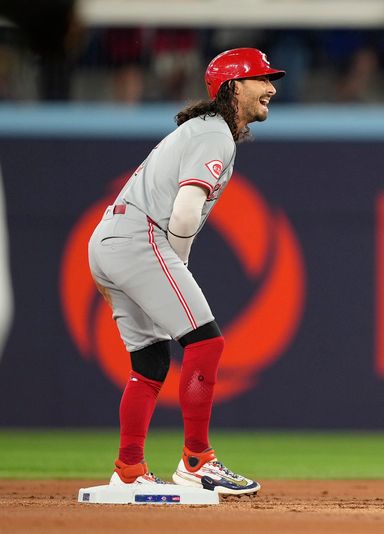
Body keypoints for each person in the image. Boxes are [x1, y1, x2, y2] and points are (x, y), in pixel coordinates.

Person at [88, 48, 284, 495]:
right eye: (261, 78)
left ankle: (128, 469)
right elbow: (183, 214)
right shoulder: (215, 133)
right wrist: (175, 266)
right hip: (140, 239)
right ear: (233, 87)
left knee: (151, 362)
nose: (271, 87)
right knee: (206, 341)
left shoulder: (204, 130)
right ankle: (197, 461)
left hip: (109, 241)